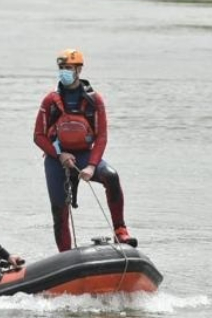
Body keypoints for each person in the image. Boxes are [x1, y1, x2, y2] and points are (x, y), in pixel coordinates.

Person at [33, 49, 136, 252]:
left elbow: (102, 137)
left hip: (84, 156)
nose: (64, 72)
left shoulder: (94, 100)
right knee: (59, 210)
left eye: (68, 68)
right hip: (57, 158)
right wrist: (59, 155)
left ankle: (121, 231)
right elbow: (38, 136)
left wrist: (91, 166)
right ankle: (65, 254)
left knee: (111, 176)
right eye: (61, 68)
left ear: (79, 70)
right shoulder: (50, 101)